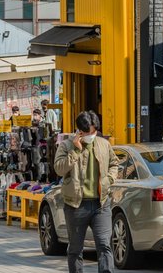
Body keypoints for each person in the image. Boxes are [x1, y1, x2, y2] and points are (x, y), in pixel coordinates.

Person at [54, 110, 118, 273]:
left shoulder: (104, 144)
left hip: (101, 204)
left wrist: (109, 179)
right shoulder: (66, 145)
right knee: (75, 248)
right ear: (79, 131)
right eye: (89, 132)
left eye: (94, 131)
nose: (92, 135)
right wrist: (75, 151)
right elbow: (59, 169)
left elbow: (114, 164)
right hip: (76, 205)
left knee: (104, 245)